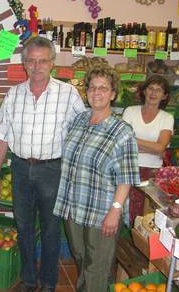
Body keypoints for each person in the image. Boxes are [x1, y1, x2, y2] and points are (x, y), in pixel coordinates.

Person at [0, 36, 86, 292]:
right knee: (24, 228)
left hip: (53, 171)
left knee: (52, 230)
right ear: (24, 63)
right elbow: (2, 137)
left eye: (43, 61)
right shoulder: (13, 94)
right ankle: (30, 281)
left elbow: (85, 131)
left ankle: (49, 283)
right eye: (31, 61)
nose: (37, 66)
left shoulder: (68, 94)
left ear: (52, 63)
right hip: (20, 169)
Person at [53, 66, 140, 292]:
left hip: (102, 210)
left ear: (112, 94)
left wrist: (115, 210)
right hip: (74, 207)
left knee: (97, 267)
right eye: (92, 87)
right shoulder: (79, 121)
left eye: (103, 88)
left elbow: (127, 176)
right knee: (81, 259)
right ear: (86, 92)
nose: (97, 92)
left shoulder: (123, 131)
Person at [122, 75, 174, 224]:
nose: (153, 93)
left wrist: (134, 141)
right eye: (150, 88)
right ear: (144, 91)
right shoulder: (130, 111)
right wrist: (153, 147)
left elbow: (161, 147)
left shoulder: (166, 118)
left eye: (159, 90)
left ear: (164, 96)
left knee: (146, 214)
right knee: (126, 209)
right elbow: (122, 141)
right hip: (129, 167)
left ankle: (141, 243)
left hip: (153, 172)